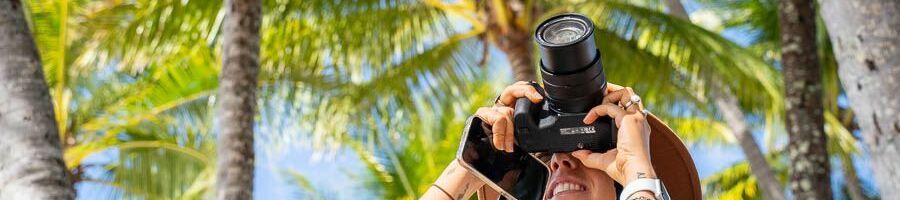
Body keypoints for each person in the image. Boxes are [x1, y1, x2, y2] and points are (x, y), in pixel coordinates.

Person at [421, 82, 701, 200]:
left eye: (585, 144)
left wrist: (635, 169)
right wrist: (472, 159)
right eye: (544, 156)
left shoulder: (633, 175)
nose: (558, 162)